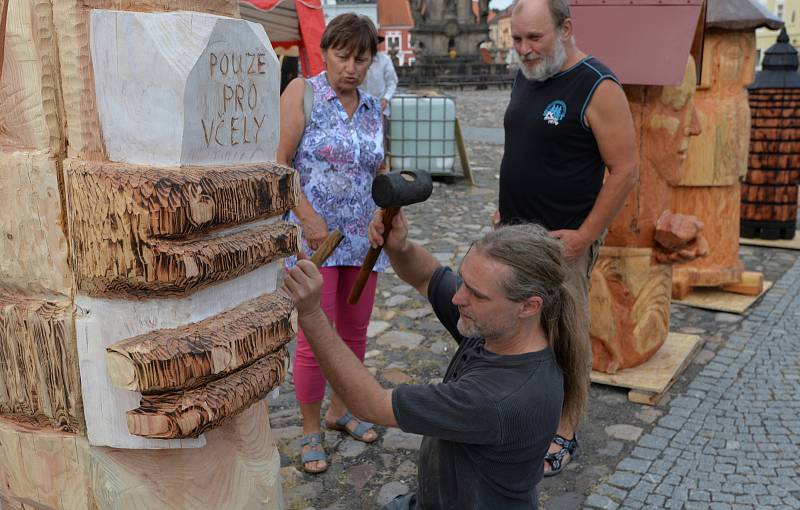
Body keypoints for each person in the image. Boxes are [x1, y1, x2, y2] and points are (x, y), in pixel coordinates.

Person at [282, 211, 591, 509]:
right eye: (464, 282)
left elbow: (372, 404)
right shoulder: (502, 326)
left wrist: (311, 313)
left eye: (476, 294)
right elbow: (428, 277)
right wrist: (400, 248)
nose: (459, 298)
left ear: (528, 306)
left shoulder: (500, 397)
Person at [495, 0, 638, 476]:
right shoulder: (527, 75)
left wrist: (584, 236)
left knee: (567, 335)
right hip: (514, 235)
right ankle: (524, 411)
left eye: (534, 38)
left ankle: (566, 429)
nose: (524, 49)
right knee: (516, 330)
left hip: (564, 241)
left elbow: (624, 171)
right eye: (517, 39)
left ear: (566, 29)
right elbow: (525, 144)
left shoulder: (597, 85)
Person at [277, 13, 387, 474]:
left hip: (364, 242)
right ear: (325, 52)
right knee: (313, 339)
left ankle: (342, 409)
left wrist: (384, 213)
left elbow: (381, 170)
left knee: (355, 331)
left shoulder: (375, 108)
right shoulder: (302, 92)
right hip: (313, 241)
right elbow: (280, 163)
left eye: (361, 59)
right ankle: (309, 429)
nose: (351, 67)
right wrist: (305, 216)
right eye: (343, 56)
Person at [362, 35, 398, 118]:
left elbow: (392, 83)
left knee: (381, 130)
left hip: (380, 108)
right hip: (359, 109)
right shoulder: (355, 59)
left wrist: (385, 99)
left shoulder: (385, 60)